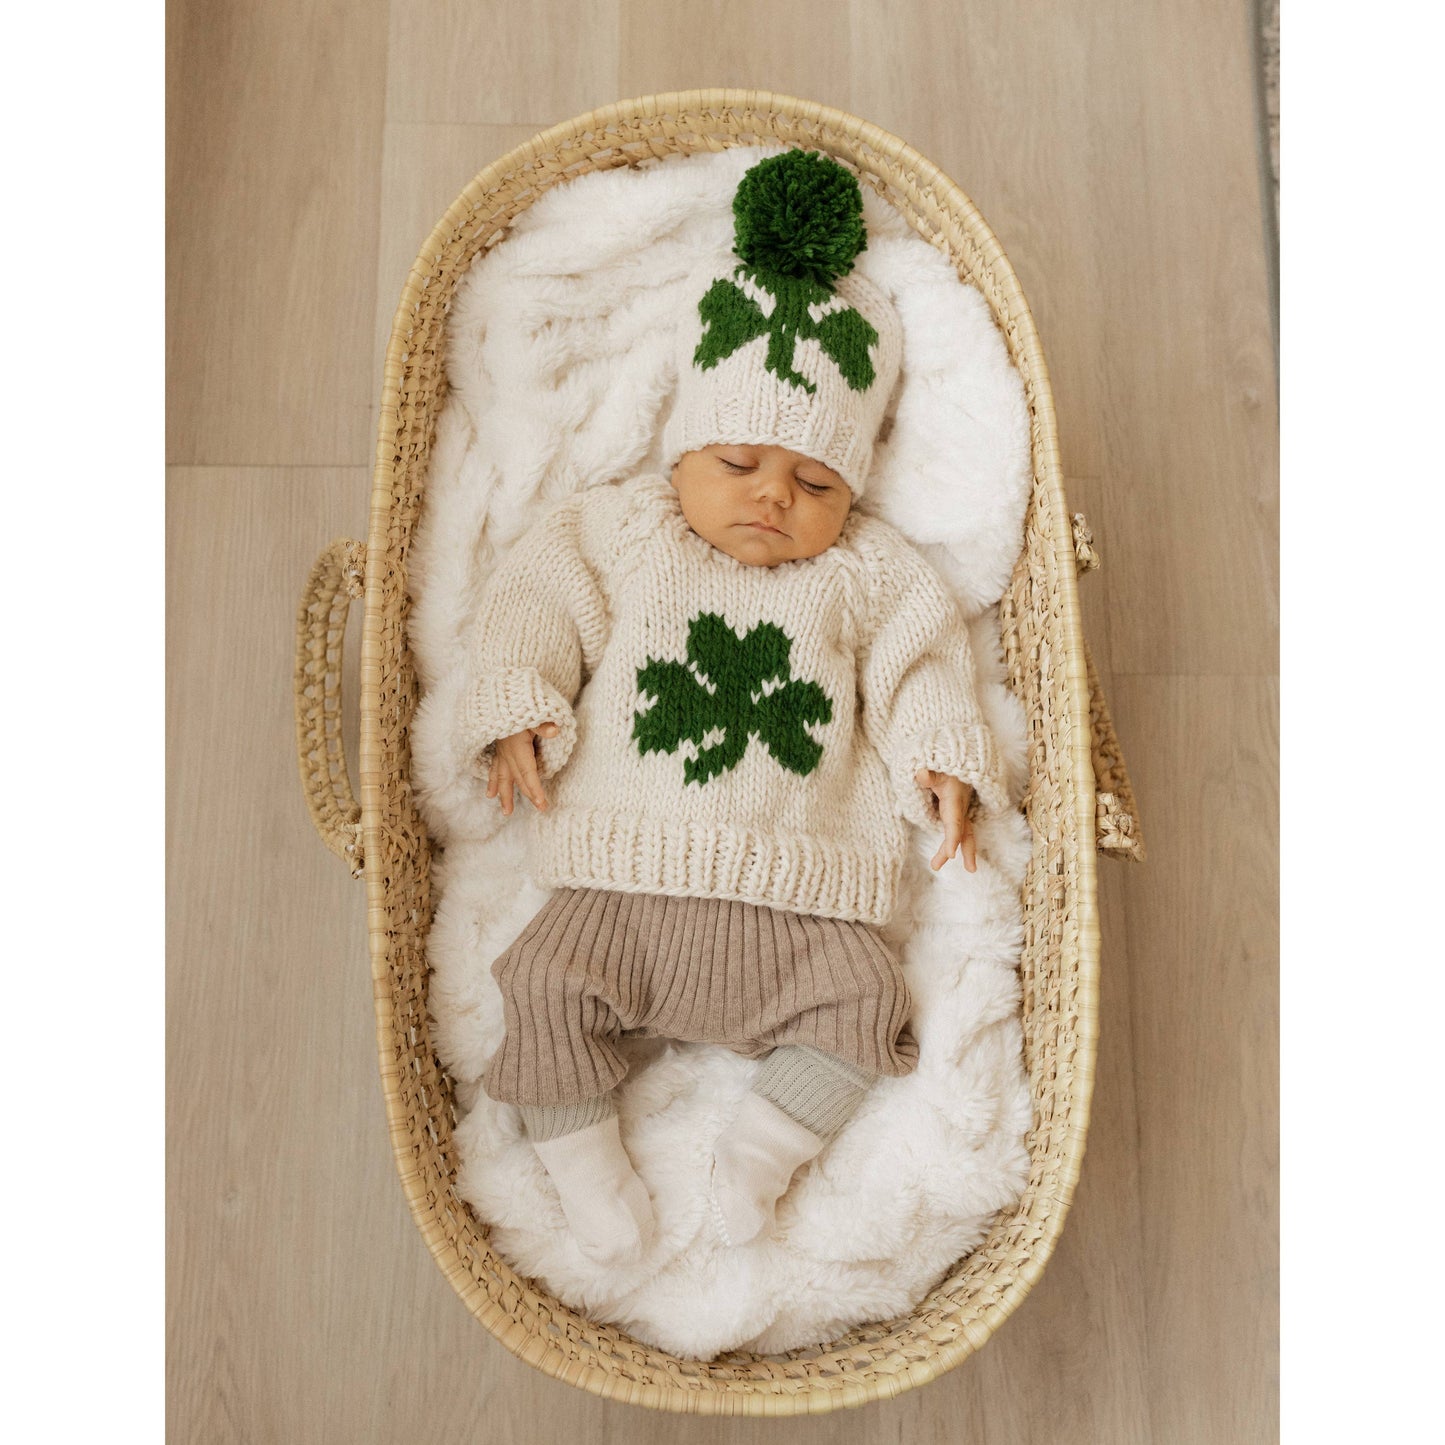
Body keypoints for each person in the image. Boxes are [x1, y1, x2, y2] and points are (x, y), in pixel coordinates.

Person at [452, 150, 1009, 1262]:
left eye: (815, 482)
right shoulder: (620, 530)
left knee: (867, 1006)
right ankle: (584, 1165)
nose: (772, 496)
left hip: (805, 908)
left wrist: (943, 755)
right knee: (543, 987)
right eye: (739, 461)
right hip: (619, 886)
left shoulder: (871, 571)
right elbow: (533, 602)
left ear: (853, 487)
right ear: (681, 452)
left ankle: (757, 1154)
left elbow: (921, 667)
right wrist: (516, 700)